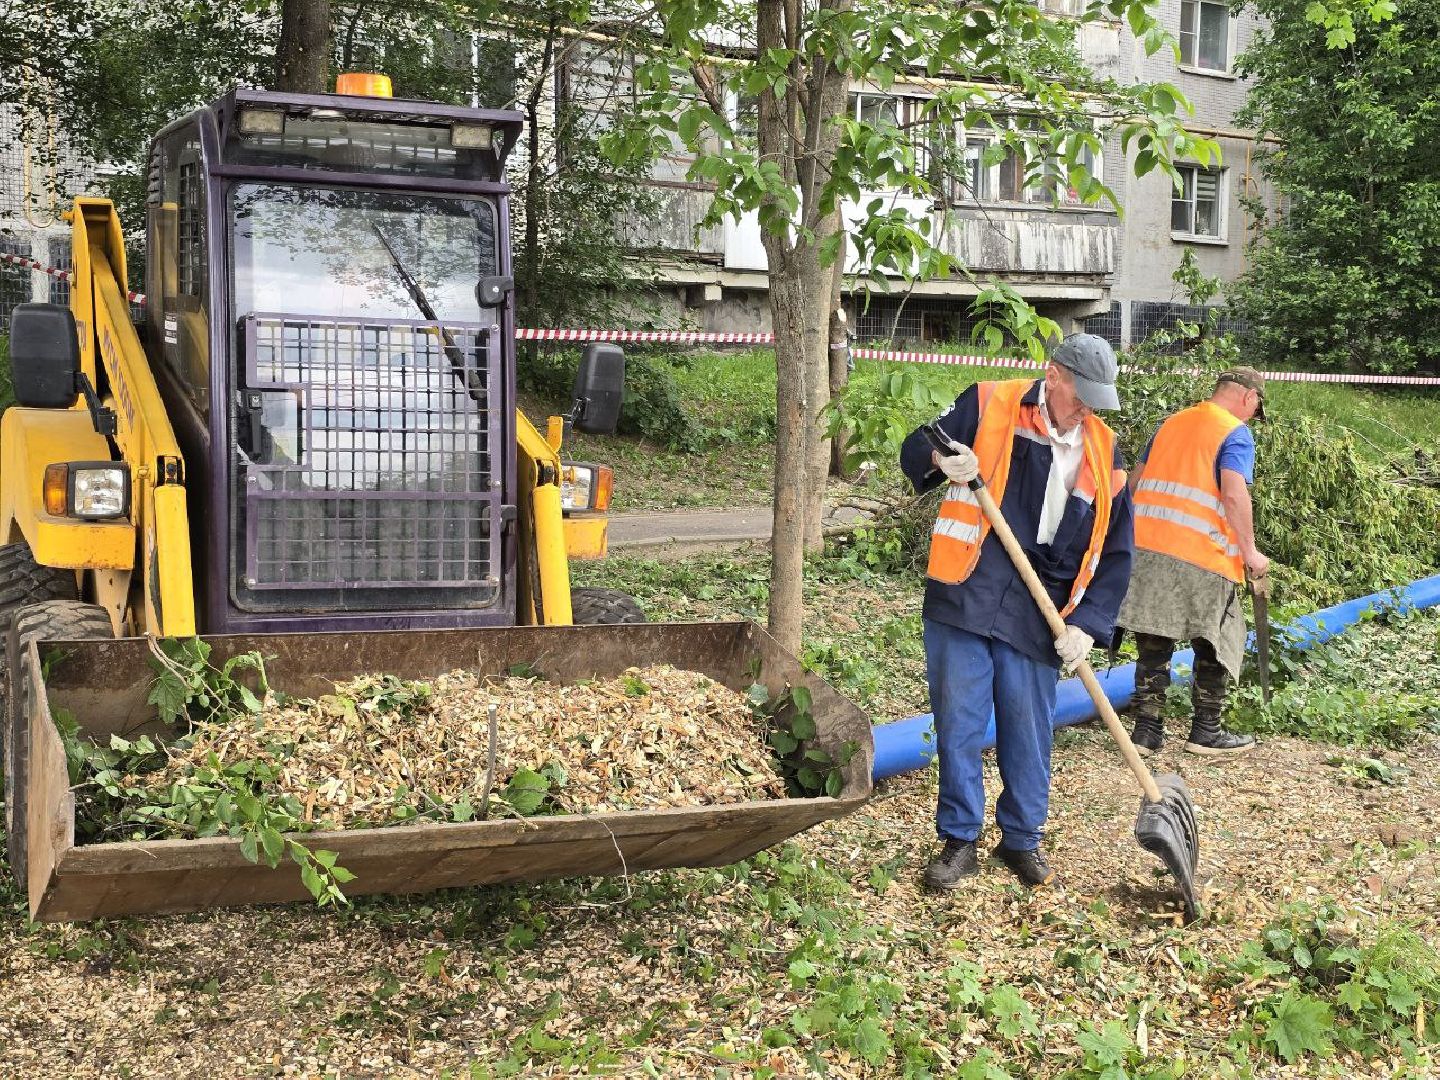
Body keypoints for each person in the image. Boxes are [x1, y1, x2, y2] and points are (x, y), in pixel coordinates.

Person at [899, 334, 1134, 891]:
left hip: (1041, 600)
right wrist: (943, 459)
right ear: (1053, 376)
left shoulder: (1105, 451)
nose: (1088, 410)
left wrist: (1087, 623)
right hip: (969, 583)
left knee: (1029, 725)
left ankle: (1022, 839)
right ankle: (960, 840)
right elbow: (916, 447)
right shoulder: (990, 403)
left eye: (1099, 400)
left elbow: (1118, 550)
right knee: (960, 719)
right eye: (1082, 395)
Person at [1118, 367, 1269, 758]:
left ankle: (1146, 733)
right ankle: (1206, 730)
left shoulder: (1170, 423)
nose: (1252, 416)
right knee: (1214, 640)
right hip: (1203, 553)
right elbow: (1234, 495)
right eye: (1255, 409)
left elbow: (1134, 483)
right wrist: (1250, 552)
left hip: (1148, 548)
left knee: (1153, 640)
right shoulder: (1234, 432)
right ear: (1248, 399)